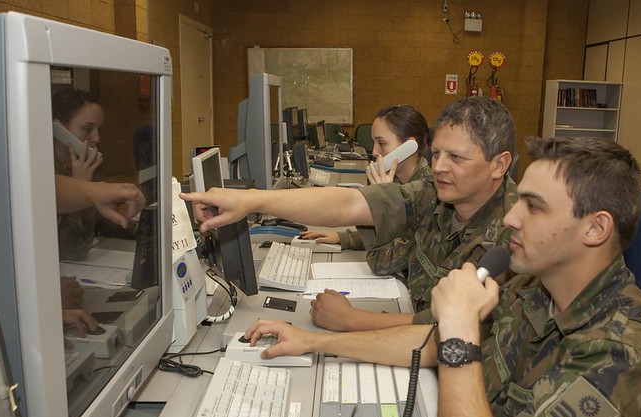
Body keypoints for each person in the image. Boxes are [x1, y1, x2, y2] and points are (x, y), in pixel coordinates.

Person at [238, 136, 641, 417]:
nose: (510, 216)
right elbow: (431, 344)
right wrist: (315, 342)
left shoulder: (624, 358)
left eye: (533, 205)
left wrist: (459, 335)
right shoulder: (536, 286)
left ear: (595, 228)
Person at [180, 96, 517, 332]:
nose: (440, 167)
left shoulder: (510, 236)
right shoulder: (437, 191)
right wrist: (251, 200)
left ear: (499, 165)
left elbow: (448, 327)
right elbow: (350, 204)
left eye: (456, 158)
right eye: (438, 154)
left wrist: (352, 320)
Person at [300, 105, 431, 249]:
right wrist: (344, 238)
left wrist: (381, 202)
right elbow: (391, 235)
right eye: (374, 142)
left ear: (408, 146)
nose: (374, 151)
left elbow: (392, 256)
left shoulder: (426, 191)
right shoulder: (395, 179)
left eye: (381, 143)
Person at [52, 88, 145, 261]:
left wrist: (141, 228)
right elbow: (71, 250)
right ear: (58, 129)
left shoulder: (85, 162)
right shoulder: (43, 171)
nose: (96, 138)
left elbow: (99, 222)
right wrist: (80, 187)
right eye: (87, 129)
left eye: (98, 129)